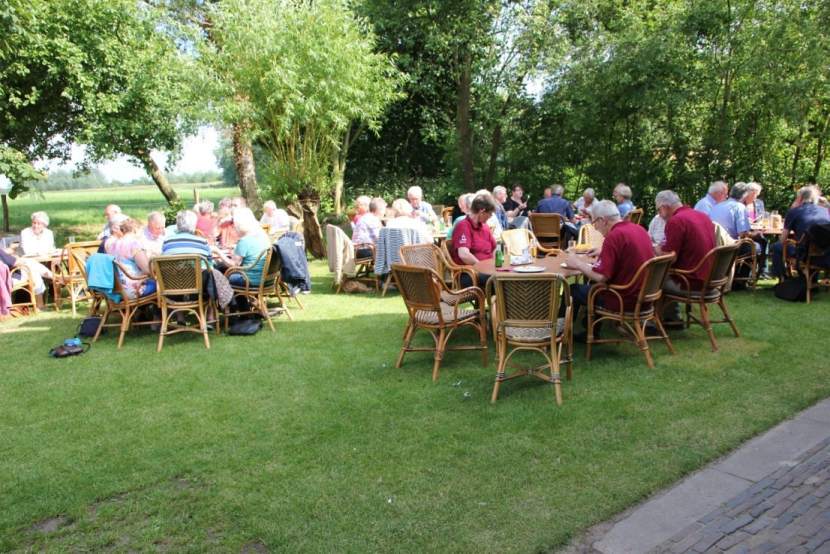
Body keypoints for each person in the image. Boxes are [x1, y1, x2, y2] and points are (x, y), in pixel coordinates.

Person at [563, 200, 654, 340]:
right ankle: (590, 330)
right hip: (645, 296)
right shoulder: (639, 229)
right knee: (593, 287)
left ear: (602, 220)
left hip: (623, 299)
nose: (596, 229)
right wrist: (604, 251)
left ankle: (560, 333)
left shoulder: (614, 236)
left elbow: (601, 277)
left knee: (573, 289)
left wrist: (577, 263)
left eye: (594, 224)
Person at [653, 190, 715, 293]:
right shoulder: (703, 216)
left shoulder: (676, 221)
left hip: (690, 282)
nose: (659, 215)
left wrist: (655, 249)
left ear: (664, 207)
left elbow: (669, 258)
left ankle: (666, 309)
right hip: (711, 279)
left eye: (658, 210)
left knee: (651, 279)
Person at [771, 185, 830, 277]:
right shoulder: (825, 211)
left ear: (800, 197)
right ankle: (812, 280)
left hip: (804, 255)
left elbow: (783, 240)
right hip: (825, 254)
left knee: (777, 246)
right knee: (812, 245)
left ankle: (782, 278)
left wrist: (793, 208)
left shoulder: (795, 211)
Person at [213, 207, 271, 287]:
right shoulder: (263, 235)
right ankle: (239, 299)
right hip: (265, 278)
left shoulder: (245, 241)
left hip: (249, 280)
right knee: (222, 269)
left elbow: (233, 265)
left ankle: (223, 298)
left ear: (240, 225)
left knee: (218, 272)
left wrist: (218, 252)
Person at [449, 193, 497, 287]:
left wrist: (497, 265)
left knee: (510, 277)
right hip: (468, 273)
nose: (490, 217)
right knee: (500, 280)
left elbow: (494, 249)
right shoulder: (463, 226)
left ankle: (504, 301)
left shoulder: (485, 227)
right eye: (490, 214)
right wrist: (482, 266)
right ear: (482, 211)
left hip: (487, 270)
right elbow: (464, 255)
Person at [105, 217, 156, 299]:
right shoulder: (134, 244)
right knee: (161, 283)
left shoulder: (112, 245)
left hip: (117, 290)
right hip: (134, 289)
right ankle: (161, 310)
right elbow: (147, 269)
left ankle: (148, 309)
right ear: (135, 230)